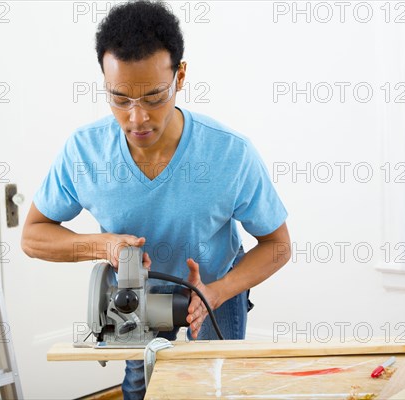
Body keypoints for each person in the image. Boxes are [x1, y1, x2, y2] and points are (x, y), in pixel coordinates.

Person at [21, 1, 291, 398]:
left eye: (153, 97)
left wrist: (215, 293)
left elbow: (278, 246)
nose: (137, 119)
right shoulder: (84, 152)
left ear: (180, 76)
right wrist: (104, 244)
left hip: (215, 287)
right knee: (141, 389)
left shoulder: (229, 154)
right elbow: (32, 236)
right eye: (120, 99)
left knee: (215, 388)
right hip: (136, 297)